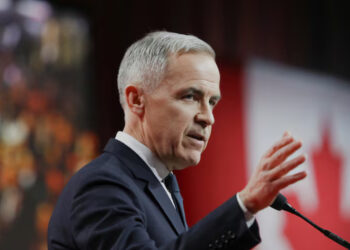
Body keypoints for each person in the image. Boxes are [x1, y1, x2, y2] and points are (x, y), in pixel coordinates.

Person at [48, 31, 306, 250]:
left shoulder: (162, 183)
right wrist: (244, 204)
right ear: (136, 100)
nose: (208, 118)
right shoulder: (102, 185)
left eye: (212, 102)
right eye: (190, 96)